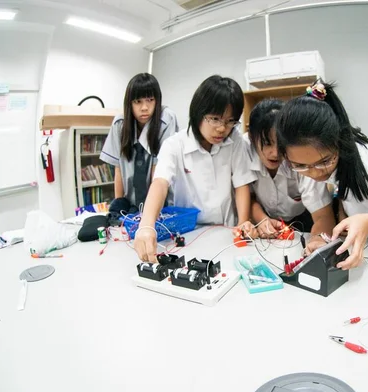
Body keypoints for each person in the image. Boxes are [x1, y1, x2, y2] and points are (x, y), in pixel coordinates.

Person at [276, 81, 368, 269]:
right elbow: (322, 217)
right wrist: (319, 239)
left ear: (339, 142)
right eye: (300, 165)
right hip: (365, 249)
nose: (313, 172)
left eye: (324, 162)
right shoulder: (308, 160)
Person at [133, 75, 257, 262]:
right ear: (198, 112)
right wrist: (146, 226)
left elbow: (241, 184)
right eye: (215, 119)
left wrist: (242, 222)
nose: (222, 129)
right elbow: (160, 182)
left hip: (227, 231)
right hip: (188, 233)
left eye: (230, 121)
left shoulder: (235, 140)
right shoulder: (174, 145)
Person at [245, 98, 335, 243]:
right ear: (251, 137)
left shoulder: (303, 156)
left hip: (303, 218)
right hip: (263, 218)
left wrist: (318, 241)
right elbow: (247, 196)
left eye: (280, 144)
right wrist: (262, 219)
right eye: (267, 143)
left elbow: (323, 215)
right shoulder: (244, 151)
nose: (275, 153)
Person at [100, 73, 178, 211]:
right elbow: (118, 169)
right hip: (132, 204)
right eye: (138, 102)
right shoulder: (120, 124)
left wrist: (151, 214)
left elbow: (159, 171)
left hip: (161, 203)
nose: (144, 107)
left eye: (150, 100)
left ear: (157, 100)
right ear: (129, 103)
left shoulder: (166, 120)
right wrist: (119, 209)